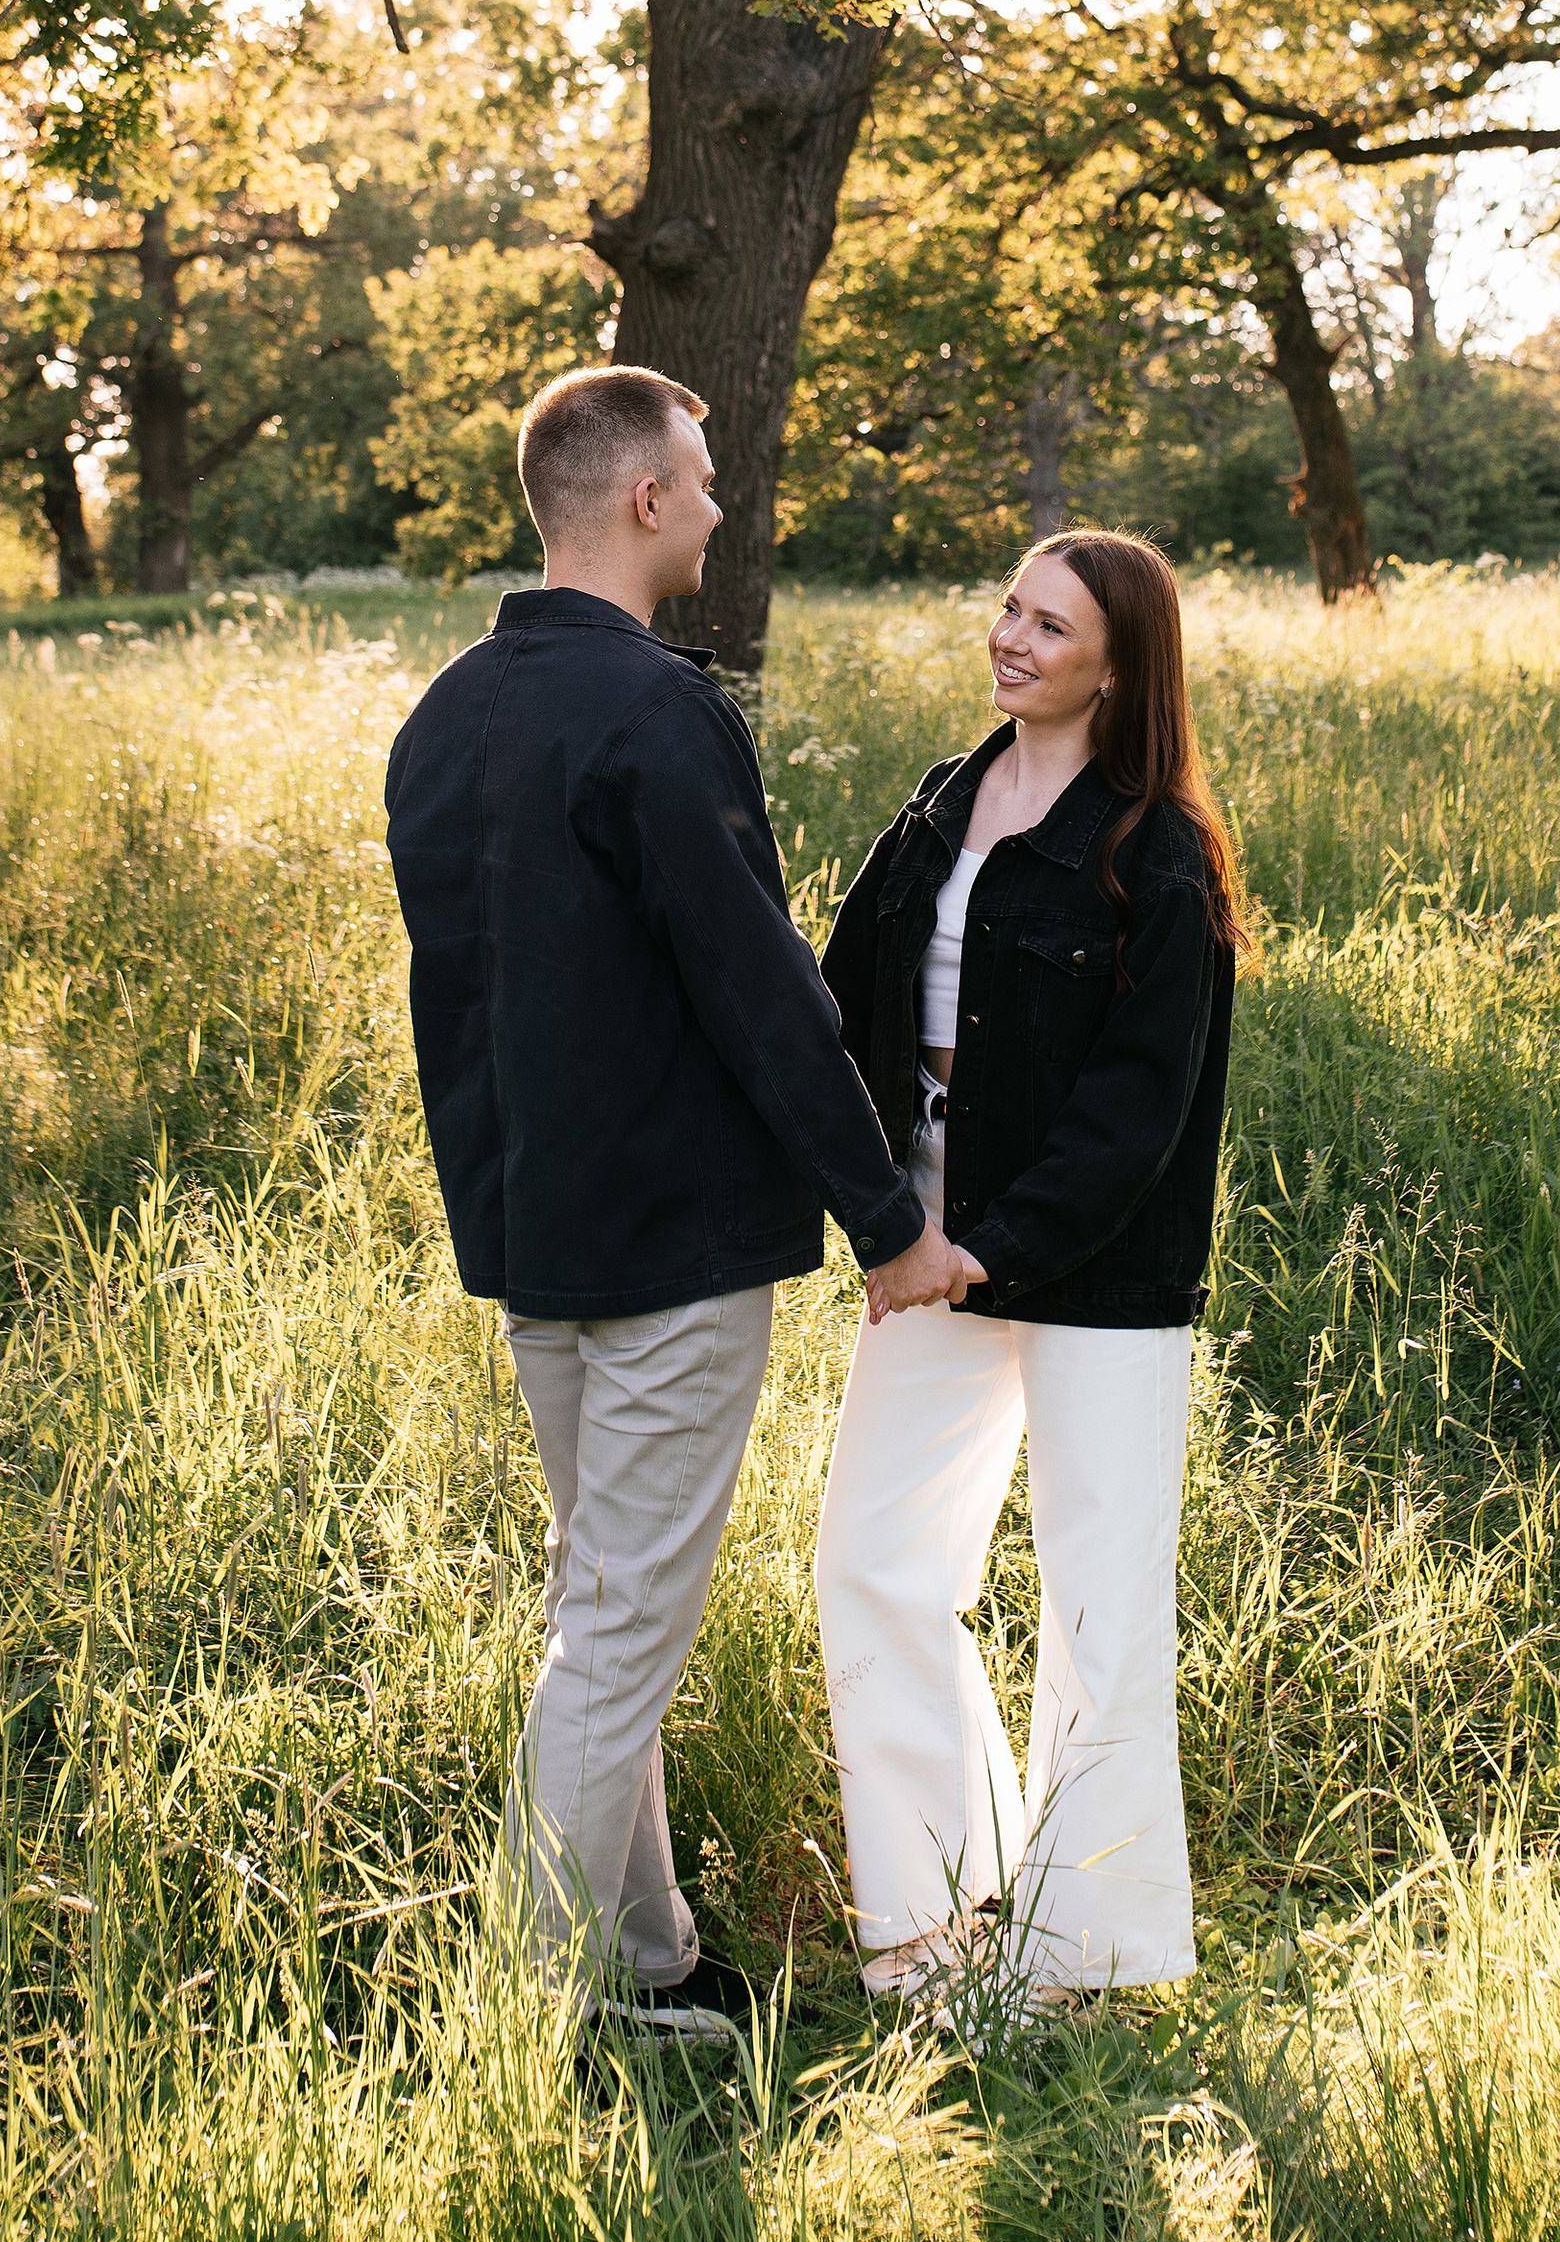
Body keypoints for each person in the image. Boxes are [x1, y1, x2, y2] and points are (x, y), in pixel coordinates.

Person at [383, 366, 969, 2043]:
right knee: (615, 1633)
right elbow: (758, 989)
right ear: (643, 498)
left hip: (535, 1245)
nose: (718, 505)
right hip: (669, 1254)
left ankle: (644, 1960)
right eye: (703, 480)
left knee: (602, 1607)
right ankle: (543, 2003)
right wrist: (888, 1219)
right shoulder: (655, 709)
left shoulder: (444, 715)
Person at [814, 529, 1249, 2008]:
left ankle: (1085, 1958)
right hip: (925, 1240)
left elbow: (1139, 1109)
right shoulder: (942, 801)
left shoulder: (1157, 851)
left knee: (1099, 1607)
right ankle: (935, 1917)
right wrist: (884, 1216)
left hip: (1097, 1269)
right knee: (875, 1562)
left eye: (1051, 625)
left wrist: (983, 1252)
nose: (1011, 637)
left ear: (1119, 666)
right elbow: (841, 999)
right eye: (1010, 608)